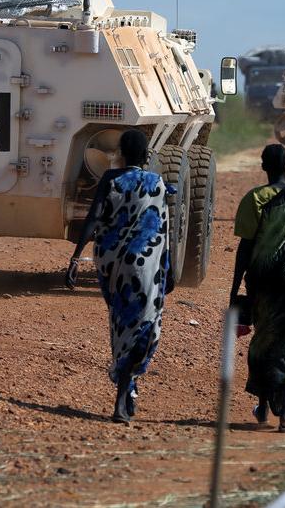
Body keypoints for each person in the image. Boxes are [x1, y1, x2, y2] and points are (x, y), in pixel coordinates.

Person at [67, 129, 174, 423]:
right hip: (146, 268)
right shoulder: (157, 184)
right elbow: (164, 231)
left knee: (122, 324)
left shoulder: (110, 180)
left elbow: (93, 218)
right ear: (146, 155)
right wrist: (170, 269)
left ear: (122, 154)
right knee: (145, 326)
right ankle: (123, 396)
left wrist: (75, 257)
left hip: (112, 267)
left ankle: (128, 388)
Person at [230, 144, 285, 432]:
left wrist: (234, 289)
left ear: (263, 166)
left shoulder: (255, 199)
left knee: (266, 341)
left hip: (265, 284)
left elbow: (245, 248)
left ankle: (264, 407)